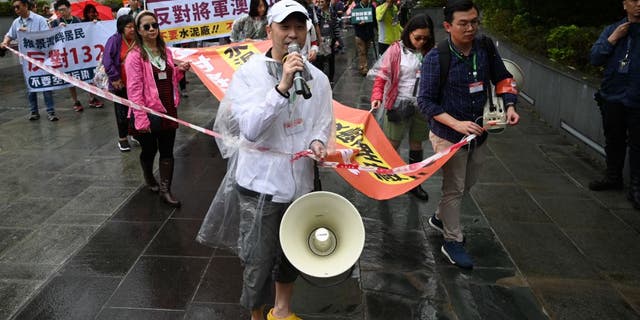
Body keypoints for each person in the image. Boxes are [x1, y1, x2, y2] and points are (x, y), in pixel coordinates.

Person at [199, 1, 334, 319]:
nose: (293, 34)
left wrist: (317, 142)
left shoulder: (317, 78)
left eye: (300, 27)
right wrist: (282, 87)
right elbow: (250, 130)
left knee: (291, 252)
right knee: (257, 256)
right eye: (285, 27)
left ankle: (283, 310)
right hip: (258, 182)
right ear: (268, 29)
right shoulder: (248, 75)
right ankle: (257, 313)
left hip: (299, 182)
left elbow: (322, 122)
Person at [417, 0, 520, 269]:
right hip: (448, 137)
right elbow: (425, 102)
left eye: (474, 21)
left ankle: (440, 218)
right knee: (454, 188)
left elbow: (503, 78)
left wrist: (509, 105)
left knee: (467, 185)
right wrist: (457, 125)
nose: (471, 27)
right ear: (448, 26)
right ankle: (453, 240)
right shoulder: (436, 58)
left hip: (480, 133)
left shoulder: (485, 47)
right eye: (464, 23)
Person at [125, 10, 190, 206]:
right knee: (149, 149)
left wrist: (178, 71)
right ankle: (148, 176)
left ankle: (165, 190)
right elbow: (134, 90)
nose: (152, 29)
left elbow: (168, 80)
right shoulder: (134, 57)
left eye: (154, 25)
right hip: (148, 111)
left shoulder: (166, 51)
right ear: (139, 30)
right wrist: (141, 117)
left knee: (167, 150)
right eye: (147, 26)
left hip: (168, 109)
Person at [370, 14, 434, 201]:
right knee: (392, 144)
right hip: (398, 103)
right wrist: (376, 97)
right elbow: (381, 76)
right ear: (408, 34)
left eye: (425, 38)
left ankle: (414, 183)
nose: (421, 42)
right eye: (417, 38)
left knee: (417, 144)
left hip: (421, 105)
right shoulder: (396, 50)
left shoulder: (431, 52)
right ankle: (384, 181)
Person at [589, 0, 640, 209]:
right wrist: (613, 39)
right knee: (613, 138)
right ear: (624, 5)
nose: (639, 4)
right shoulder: (614, 29)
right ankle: (613, 177)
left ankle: (636, 187)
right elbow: (595, 58)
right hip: (612, 95)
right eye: (634, 0)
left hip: (637, 98)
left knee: (638, 144)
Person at [1, 0, 58, 121]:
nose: (16, 10)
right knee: (31, 86)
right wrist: (5, 42)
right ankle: (34, 112)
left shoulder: (40, 20)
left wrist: (28, 34)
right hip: (27, 62)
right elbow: (9, 35)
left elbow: (45, 36)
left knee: (45, 85)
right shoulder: (16, 22)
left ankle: (51, 111)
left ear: (26, 6)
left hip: (41, 59)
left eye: (18, 7)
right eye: (14, 8)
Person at [50, 0, 103, 111]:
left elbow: (86, 33)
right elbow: (50, 37)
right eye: (60, 10)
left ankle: (92, 97)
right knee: (70, 77)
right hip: (66, 55)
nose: (62, 12)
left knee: (88, 74)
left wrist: (93, 25)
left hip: (79, 53)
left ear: (70, 9)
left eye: (64, 9)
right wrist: (58, 29)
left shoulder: (77, 20)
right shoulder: (55, 22)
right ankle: (76, 101)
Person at [104, 14, 137, 152]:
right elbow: (107, 60)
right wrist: (115, 77)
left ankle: (135, 133)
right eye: (129, 27)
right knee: (121, 111)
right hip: (120, 82)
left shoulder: (138, 39)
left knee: (137, 109)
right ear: (121, 28)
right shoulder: (114, 40)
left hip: (136, 82)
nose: (132, 29)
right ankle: (122, 139)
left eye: (134, 26)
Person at [313, 0, 341, 84]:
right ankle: (321, 78)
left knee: (331, 59)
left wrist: (337, 39)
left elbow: (336, 26)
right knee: (320, 60)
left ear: (327, 2)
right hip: (321, 39)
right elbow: (316, 25)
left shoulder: (332, 12)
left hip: (331, 39)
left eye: (322, 2)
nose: (320, 4)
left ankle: (331, 78)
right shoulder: (317, 12)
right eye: (319, 2)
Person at [351, 0, 375, 76]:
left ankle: (364, 65)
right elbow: (352, 20)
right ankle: (363, 68)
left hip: (369, 34)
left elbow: (375, 20)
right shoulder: (356, 7)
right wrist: (358, 22)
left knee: (366, 51)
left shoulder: (371, 7)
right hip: (359, 34)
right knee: (362, 51)